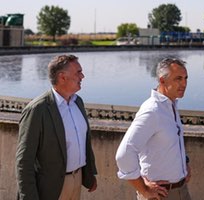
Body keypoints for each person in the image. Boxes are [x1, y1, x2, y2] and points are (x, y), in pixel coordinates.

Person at [16, 54, 98, 200]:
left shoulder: (77, 102)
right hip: (50, 188)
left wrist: (89, 175)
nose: (83, 76)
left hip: (76, 179)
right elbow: (24, 160)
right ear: (62, 77)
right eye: (78, 72)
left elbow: (83, 142)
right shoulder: (37, 110)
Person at [115, 58, 192, 200]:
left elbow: (169, 141)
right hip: (160, 195)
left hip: (180, 190)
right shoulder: (152, 110)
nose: (184, 83)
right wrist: (143, 189)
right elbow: (124, 154)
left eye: (186, 78)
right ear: (162, 81)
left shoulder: (170, 105)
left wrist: (184, 162)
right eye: (178, 79)